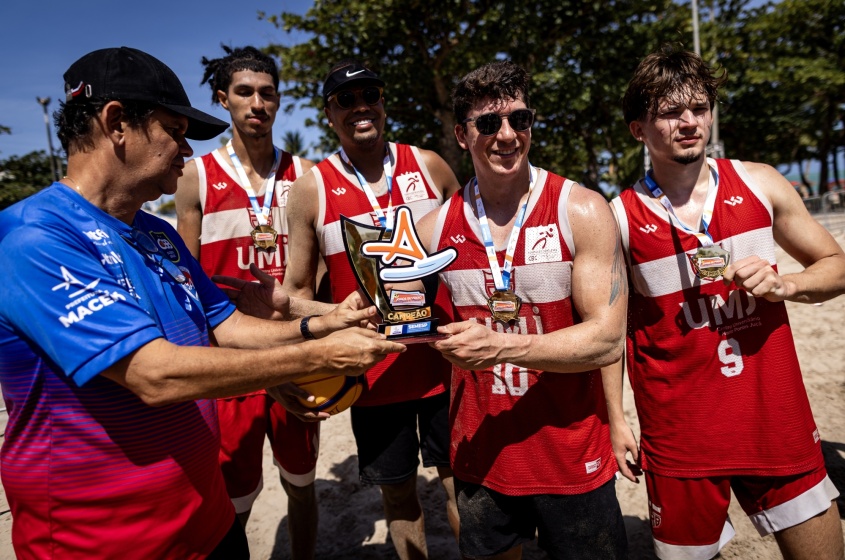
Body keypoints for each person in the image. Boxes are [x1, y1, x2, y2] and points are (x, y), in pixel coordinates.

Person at [0, 46, 405, 560]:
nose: (187, 149)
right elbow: (154, 374)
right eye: (175, 130)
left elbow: (226, 324)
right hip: (107, 543)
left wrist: (319, 325)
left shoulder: (156, 233)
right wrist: (316, 357)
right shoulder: (34, 238)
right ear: (117, 123)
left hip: (207, 521)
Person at [611, 43, 845, 560]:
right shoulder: (619, 217)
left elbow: (836, 265)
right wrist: (615, 419)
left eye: (699, 107)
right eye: (671, 112)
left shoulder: (759, 181)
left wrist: (787, 286)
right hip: (681, 435)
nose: (689, 122)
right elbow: (611, 331)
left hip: (775, 416)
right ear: (638, 129)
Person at [413, 60, 629, 559]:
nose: (507, 135)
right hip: (482, 453)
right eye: (489, 123)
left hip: (571, 455)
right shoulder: (431, 230)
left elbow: (606, 340)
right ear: (462, 135)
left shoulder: (582, 209)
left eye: (520, 119)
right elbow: (396, 320)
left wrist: (501, 347)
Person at [281, 60, 462, 559]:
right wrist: (310, 344)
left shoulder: (429, 165)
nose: (361, 106)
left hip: (445, 361)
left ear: (383, 102)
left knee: (463, 489)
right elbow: (296, 290)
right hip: (374, 374)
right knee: (399, 496)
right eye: (346, 99)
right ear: (329, 113)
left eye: (371, 95)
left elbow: (471, 249)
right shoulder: (312, 188)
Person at [174, 45, 319, 559]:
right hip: (232, 362)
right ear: (223, 99)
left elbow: (319, 272)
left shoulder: (308, 175)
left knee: (302, 484)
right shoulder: (195, 176)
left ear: (278, 101)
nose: (257, 103)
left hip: (294, 352)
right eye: (244, 92)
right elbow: (186, 279)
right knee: (234, 501)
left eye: (267, 93)